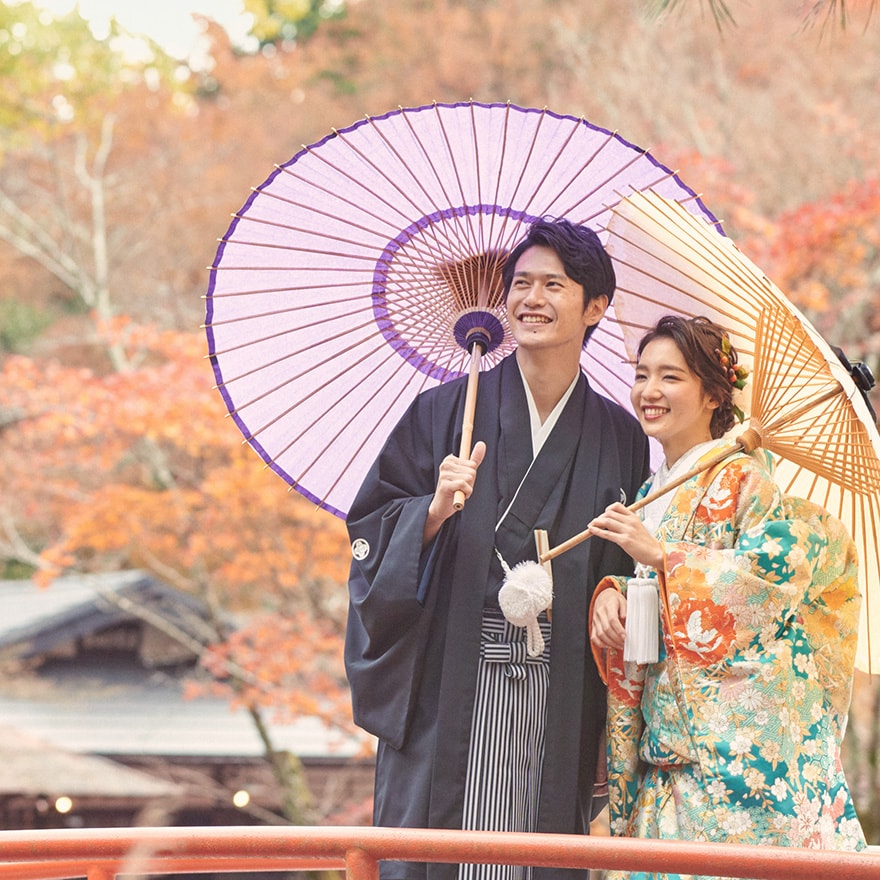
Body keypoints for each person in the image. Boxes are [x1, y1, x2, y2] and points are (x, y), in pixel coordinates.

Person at [345, 218, 651, 880]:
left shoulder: (620, 436)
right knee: (442, 855)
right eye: (520, 284)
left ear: (595, 305)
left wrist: (616, 600)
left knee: (532, 855)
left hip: (559, 680)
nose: (530, 299)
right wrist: (431, 512)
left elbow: (619, 570)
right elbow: (371, 529)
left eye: (553, 285)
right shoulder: (441, 413)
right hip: (452, 676)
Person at [588, 315, 866, 880]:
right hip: (666, 752)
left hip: (731, 763)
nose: (649, 392)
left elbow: (770, 586)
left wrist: (665, 558)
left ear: (714, 394)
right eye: (642, 375)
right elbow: (654, 591)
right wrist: (614, 595)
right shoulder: (652, 490)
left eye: (671, 377)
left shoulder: (744, 480)